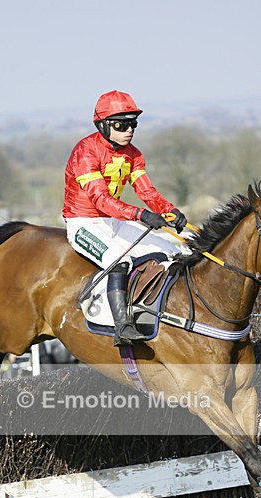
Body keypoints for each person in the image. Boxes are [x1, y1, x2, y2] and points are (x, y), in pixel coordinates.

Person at [63, 90, 187, 347]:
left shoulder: (134, 154)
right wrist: (141, 215)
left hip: (114, 221)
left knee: (172, 251)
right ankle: (122, 326)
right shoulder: (85, 152)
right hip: (83, 222)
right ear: (102, 125)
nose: (128, 130)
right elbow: (101, 200)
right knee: (119, 260)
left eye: (133, 124)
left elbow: (147, 192)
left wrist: (170, 211)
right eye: (121, 125)